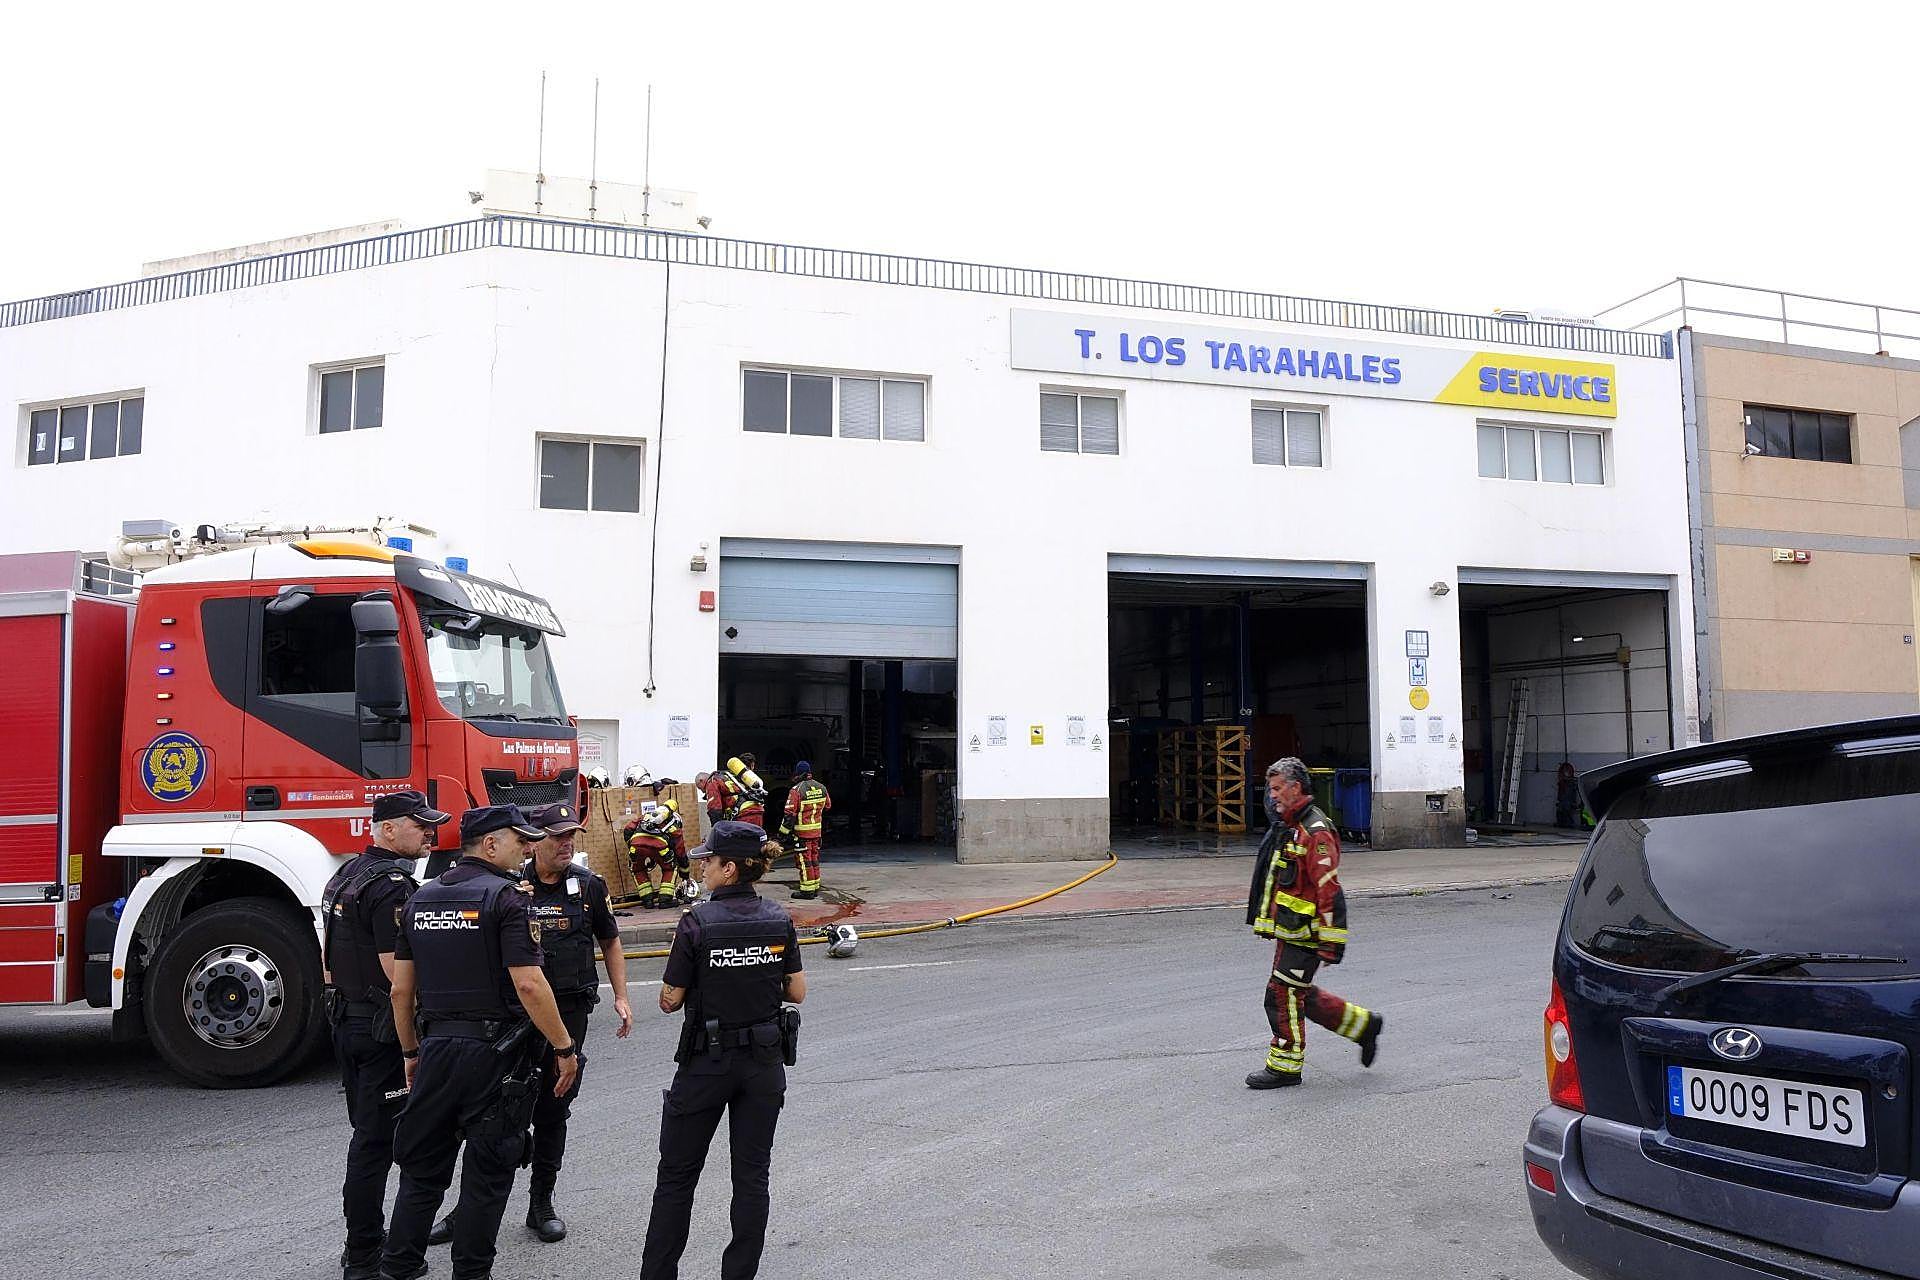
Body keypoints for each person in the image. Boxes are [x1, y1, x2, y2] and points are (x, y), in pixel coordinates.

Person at [379, 805, 581, 1280]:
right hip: (495, 1059)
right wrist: (564, 1048)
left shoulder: (421, 899)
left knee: (423, 1171)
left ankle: (400, 1265)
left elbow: (400, 991)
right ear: (490, 844)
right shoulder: (508, 900)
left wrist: (411, 1053)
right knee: (487, 1176)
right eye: (520, 840)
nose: (529, 848)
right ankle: (471, 1273)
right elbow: (530, 984)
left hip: (436, 1050)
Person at [426, 801, 632, 1248]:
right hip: (511, 1021)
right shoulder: (506, 887)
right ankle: (466, 1212)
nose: (566, 844)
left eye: (570, 835)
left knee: (553, 1110)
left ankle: (541, 1205)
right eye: (557, 836)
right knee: (489, 1114)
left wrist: (620, 995)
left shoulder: (589, 886)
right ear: (534, 841)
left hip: (569, 1014)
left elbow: (611, 941)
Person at [638, 822, 805, 1280]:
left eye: (708, 861)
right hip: (763, 1064)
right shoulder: (777, 918)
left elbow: (669, 1001)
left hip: (706, 1064)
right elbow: (797, 990)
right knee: (752, 1177)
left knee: (676, 1178)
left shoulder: (696, 922)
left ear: (729, 869)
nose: (703, 867)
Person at [322, 789, 448, 1280]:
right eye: (421, 825)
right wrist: (413, 1041)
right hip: (380, 1031)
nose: (430, 835)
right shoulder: (393, 885)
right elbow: (401, 979)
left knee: (368, 1136)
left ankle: (366, 1244)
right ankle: (365, 1256)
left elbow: (328, 960)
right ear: (389, 829)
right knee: (379, 1144)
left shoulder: (346, 874)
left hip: (347, 1021)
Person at [1245, 757, 1383, 1089]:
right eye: (1271, 790)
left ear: (1295, 788)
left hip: (1307, 935)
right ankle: (1363, 1026)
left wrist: (1331, 942)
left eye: (1278, 789)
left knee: (1281, 994)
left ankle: (1286, 1066)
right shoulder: (1290, 826)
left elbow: (1329, 889)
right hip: (1292, 931)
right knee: (1298, 995)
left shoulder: (1315, 833)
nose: (1273, 796)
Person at [774, 760, 832, 901]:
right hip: (817, 833)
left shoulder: (796, 790)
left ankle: (807, 891)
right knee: (814, 860)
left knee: (804, 862)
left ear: (798, 773)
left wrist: (781, 835)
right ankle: (815, 886)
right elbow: (828, 806)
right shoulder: (822, 788)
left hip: (802, 834)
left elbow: (789, 815)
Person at [628, 797, 688, 910]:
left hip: (636, 847)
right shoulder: (674, 827)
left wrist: (630, 845)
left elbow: (628, 829)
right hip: (660, 849)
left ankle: (647, 901)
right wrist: (685, 872)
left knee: (637, 869)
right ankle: (665, 900)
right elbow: (680, 851)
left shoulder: (646, 816)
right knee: (670, 869)